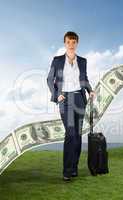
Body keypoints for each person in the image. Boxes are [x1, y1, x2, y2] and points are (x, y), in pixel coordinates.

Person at [46, 31, 96, 182]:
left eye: (74, 42)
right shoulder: (57, 60)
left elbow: (84, 79)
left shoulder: (82, 61)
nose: (71, 45)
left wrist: (90, 90)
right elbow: (49, 79)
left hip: (80, 99)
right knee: (71, 134)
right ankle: (66, 171)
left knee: (78, 135)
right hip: (65, 100)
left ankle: (74, 168)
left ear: (77, 43)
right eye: (68, 42)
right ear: (65, 43)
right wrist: (56, 95)